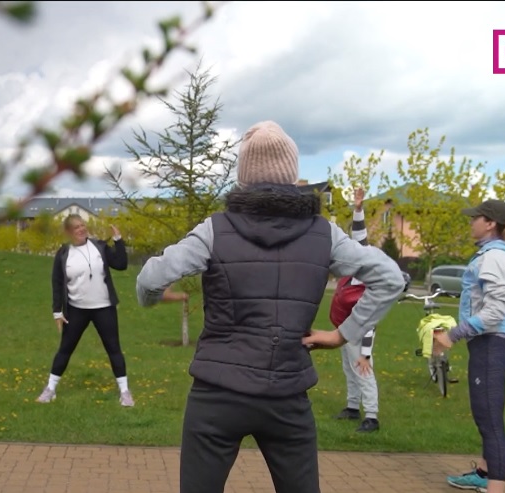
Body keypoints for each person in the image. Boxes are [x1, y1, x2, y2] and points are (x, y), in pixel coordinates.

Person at [135, 120, 405, 493]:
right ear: (292, 175)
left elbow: (150, 280)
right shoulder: (324, 233)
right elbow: (390, 277)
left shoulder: (215, 229)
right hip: (287, 396)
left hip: (217, 395)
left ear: (243, 177)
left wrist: (149, 300)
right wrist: (344, 335)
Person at [435, 199, 505, 493]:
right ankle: (483, 474)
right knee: (486, 415)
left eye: (475, 218)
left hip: (493, 343)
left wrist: (453, 334)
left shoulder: (495, 258)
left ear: (490, 223)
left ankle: (495, 488)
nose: (470, 222)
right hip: (493, 344)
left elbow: (494, 312)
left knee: (489, 421)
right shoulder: (496, 255)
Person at [37, 214, 134, 406]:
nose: (81, 229)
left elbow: (121, 264)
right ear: (69, 232)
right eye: (76, 227)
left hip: (104, 308)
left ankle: (125, 392)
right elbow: (57, 283)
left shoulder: (99, 247)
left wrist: (118, 240)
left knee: (114, 349)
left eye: (82, 225)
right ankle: (50, 389)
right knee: (65, 349)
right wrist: (57, 311)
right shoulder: (64, 253)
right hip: (76, 310)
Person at [329, 187, 382, 433]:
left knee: (362, 368)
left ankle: (371, 416)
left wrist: (366, 354)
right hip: (345, 328)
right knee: (348, 368)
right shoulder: (351, 273)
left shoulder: (365, 276)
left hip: (361, 331)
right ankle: (352, 407)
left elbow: (360, 239)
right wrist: (357, 209)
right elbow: (356, 238)